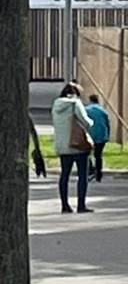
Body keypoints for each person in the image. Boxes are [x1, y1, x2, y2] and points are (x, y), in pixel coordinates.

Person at [51, 83, 95, 214]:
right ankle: (81, 205)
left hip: (62, 146)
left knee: (64, 175)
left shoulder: (56, 105)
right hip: (78, 145)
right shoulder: (75, 103)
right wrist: (91, 123)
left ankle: (65, 205)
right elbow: (86, 121)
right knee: (82, 175)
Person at [86, 94, 112, 182]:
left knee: (86, 154)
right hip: (101, 135)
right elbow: (107, 124)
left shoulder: (87, 110)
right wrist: (107, 135)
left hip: (91, 134)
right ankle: (99, 174)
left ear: (90, 100)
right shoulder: (103, 111)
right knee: (98, 155)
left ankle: (91, 170)